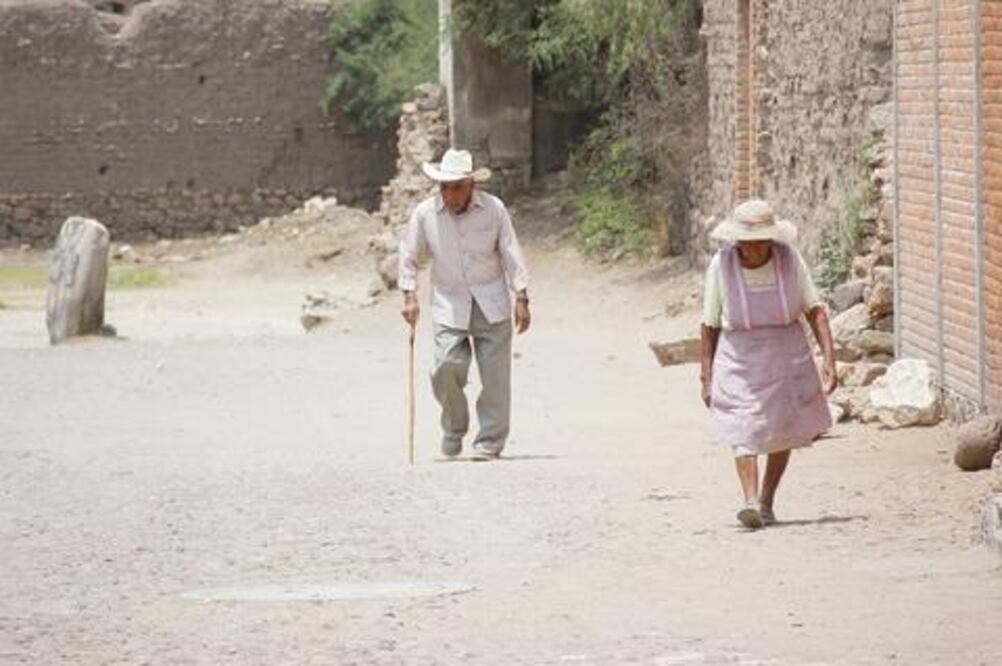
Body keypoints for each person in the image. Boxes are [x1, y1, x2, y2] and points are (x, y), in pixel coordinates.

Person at [700, 199, 837, 529]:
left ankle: (766, 501)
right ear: (737, 242)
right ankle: (748, 500)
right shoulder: (722, 265)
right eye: (746, 243)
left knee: (782, 429)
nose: (753, 250)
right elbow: (709, 322)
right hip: (739, 354)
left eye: (760, 242)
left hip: (785, 350)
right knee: (742, 427)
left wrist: (829, 359)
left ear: (771, 239)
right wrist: (706, 375)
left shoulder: (790, 260)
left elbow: (815, 309)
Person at [398, 148, 531, 461]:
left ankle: (489, 442)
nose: (450, 194)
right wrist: (409, 294)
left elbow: (511, 252)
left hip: (491, 300)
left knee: (495, 377)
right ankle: (454, 426)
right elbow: (409, 255)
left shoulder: (494, 210)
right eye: (444, 187)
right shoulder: (425, 214)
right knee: (445, 367)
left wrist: (521, 296)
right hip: (448, 301)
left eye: (456, 186)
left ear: (472, 185)